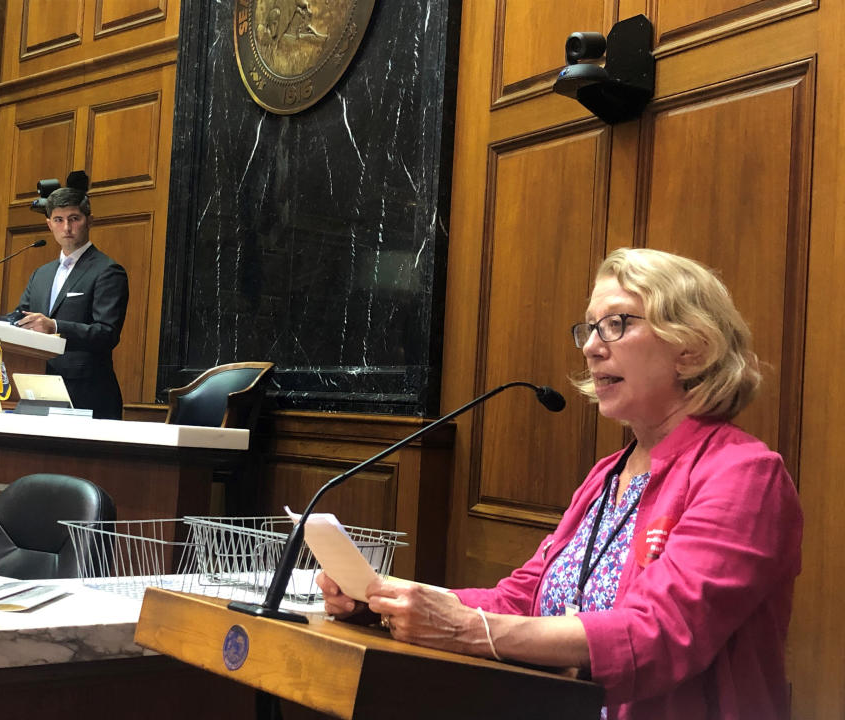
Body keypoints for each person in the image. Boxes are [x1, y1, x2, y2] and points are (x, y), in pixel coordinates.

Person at [317, 248, 803, 720]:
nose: (592, 345)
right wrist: (385, 598)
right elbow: (522, 599)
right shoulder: (607, 474)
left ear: (691, 348)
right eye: (590, 328)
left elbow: (660, 634)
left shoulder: (743, 475)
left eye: (617, 323)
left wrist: (468, 630)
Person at [0, 187, 128, 420]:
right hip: (39, 387)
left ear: (89, 221)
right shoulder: (41, 274)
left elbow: (107, 333)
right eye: (59, 220)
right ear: (49, 224)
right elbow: (21, 318)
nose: (66, 228)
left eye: (74, 219)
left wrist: (56, 327)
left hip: (87, 393)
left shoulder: (107, 271)